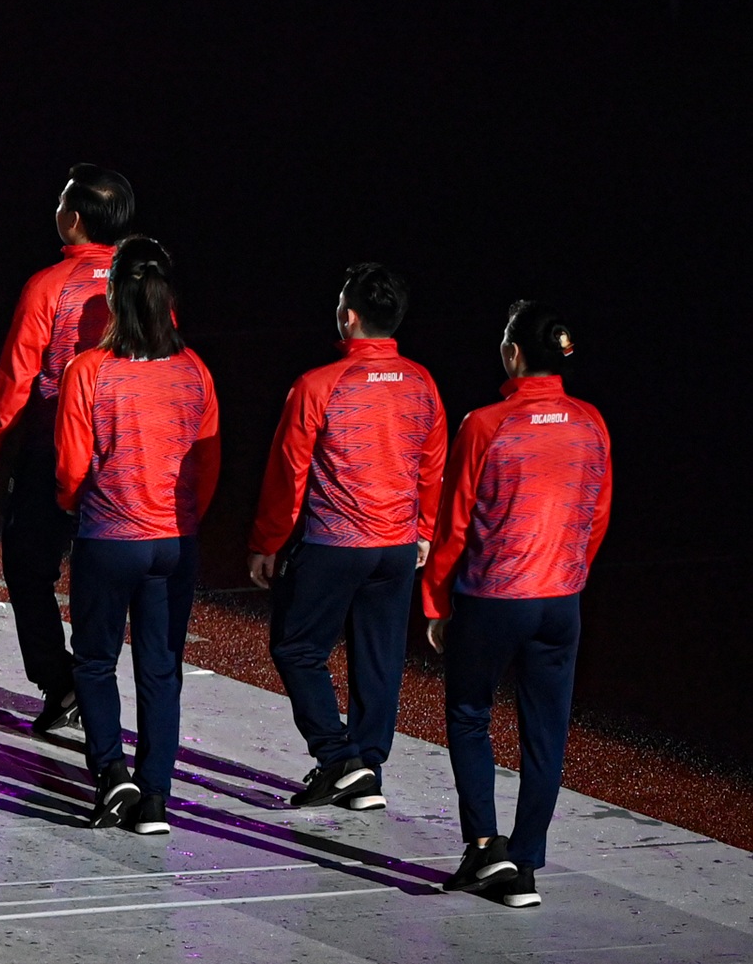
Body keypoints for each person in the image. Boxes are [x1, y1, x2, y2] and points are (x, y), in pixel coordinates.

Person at [426, 301, 612, 910]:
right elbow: (597, 514)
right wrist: (572, 573)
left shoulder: (485, 423)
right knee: (546, 733)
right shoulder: (592, 423)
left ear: (512, 354)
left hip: (493, 599)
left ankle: (485, 848)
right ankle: (526, 860)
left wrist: (436, 601)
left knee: (470, 715)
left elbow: (454, 523)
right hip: (561, 599)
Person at [249, 263, 448, 811]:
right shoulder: (422, 381)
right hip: (396, 546)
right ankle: (366, 768)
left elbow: (288, 470)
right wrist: (424, 530)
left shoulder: (318, 385)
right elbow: (433, 465)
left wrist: (268, 541)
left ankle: (339, 757)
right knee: (379, 656)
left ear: (348, 315)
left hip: (335, 544)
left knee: (296, 647)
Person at [55, 237, 219, 835]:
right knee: (160, 667)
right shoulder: (195, 371)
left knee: (95, 662)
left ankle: (110, 774)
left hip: (108, 536)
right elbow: (208, 462)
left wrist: (76, 503)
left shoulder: (88, 373)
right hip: (173, 541)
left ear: (112, 297)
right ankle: (155, 797)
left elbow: (72, 466)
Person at [0, 165, 136, 734]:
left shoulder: (49, 286)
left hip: (52, 449)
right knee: (107, 580)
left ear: (72, 217)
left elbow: (19, 369)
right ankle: (95, 693)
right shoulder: (145, 286)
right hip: (127, 456)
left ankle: (63, 681)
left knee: (27, 567)